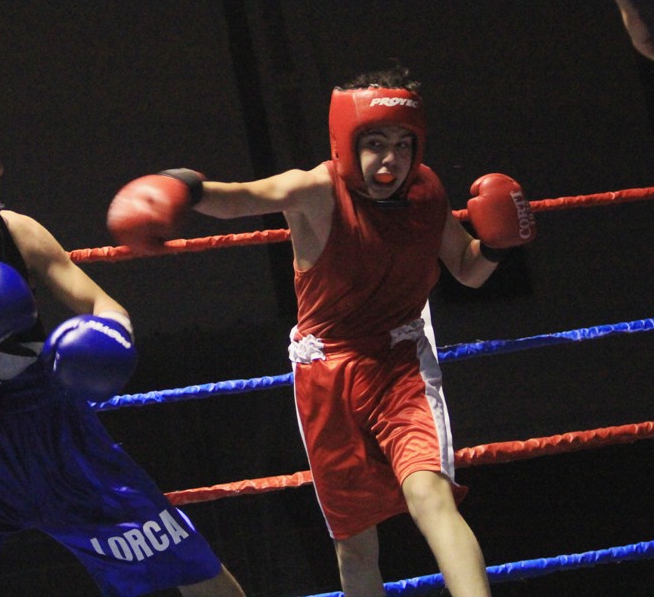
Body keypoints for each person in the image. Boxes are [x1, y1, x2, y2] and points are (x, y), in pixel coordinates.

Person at [106, 65, 537, 597]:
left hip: (401, 362)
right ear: (345, 142)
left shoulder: (426, 193)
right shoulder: (317, 191)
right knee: (354, 546)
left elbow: (467, 270)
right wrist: (180, 187)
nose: (391, 159)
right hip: (326, 372)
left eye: (404, 144)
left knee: (432, 497)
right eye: (375, 143)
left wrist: (496, 245)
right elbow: (241, 196)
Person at [0, 89, 245, 597]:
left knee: (192, 569)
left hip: (60, 443)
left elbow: (107, 308)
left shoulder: (17, 232)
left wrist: (103, 339)